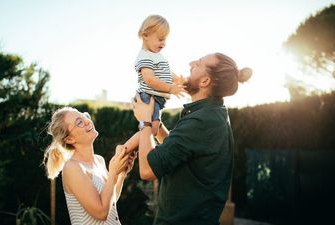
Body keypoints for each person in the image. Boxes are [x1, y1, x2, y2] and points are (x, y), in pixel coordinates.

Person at [131, 52, 252, 224]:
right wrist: (156, 123)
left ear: (205, 81)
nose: (191, 63)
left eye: (199, 63)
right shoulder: (213, 113)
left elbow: (147, 170)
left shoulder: (202, 120)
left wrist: (145, 122)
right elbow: (178, 150)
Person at [42, 107, 137, 225]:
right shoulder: (73, 168)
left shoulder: (99, 160)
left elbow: (110, 201)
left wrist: (121, 174)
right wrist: (113, 172)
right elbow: (101, 212)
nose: (88, 121)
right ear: (69, 139)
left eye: (85, 116)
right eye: (79, 122)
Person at [134, 14, 185, 136]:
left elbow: (166, 72)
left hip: (157, 98)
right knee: (152, 127)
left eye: (165, 39)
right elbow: (150, 80)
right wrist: (170, 88)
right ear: (145, 35)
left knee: (154, 128)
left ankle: (139, 147)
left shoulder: (156, 56)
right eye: (161, 39)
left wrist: (177, 78)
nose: (164, 43)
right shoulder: (144, 56)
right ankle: (136, 148)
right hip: (149, 97)